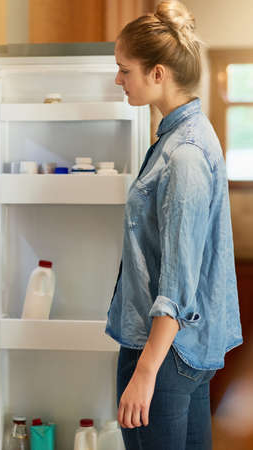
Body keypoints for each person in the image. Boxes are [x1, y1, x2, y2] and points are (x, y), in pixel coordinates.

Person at [104, 1, 243, 449]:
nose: (118, 79)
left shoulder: (182, 156)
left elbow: (179, 282)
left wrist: (144, 372)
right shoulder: (189, 135)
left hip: (162, 352)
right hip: (185, 350)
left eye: (125, 70)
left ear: (158, 73)